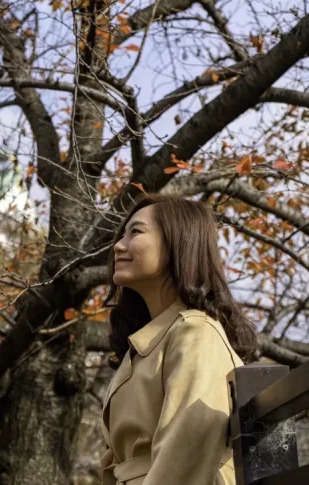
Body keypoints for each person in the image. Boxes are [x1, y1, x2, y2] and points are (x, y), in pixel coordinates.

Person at [98, 193, 257, 485]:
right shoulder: (147, 345)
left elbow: (186, 453)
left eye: (136, 232)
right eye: (121, 234)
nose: (118, 246)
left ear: (177, 243)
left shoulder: (196, 333)